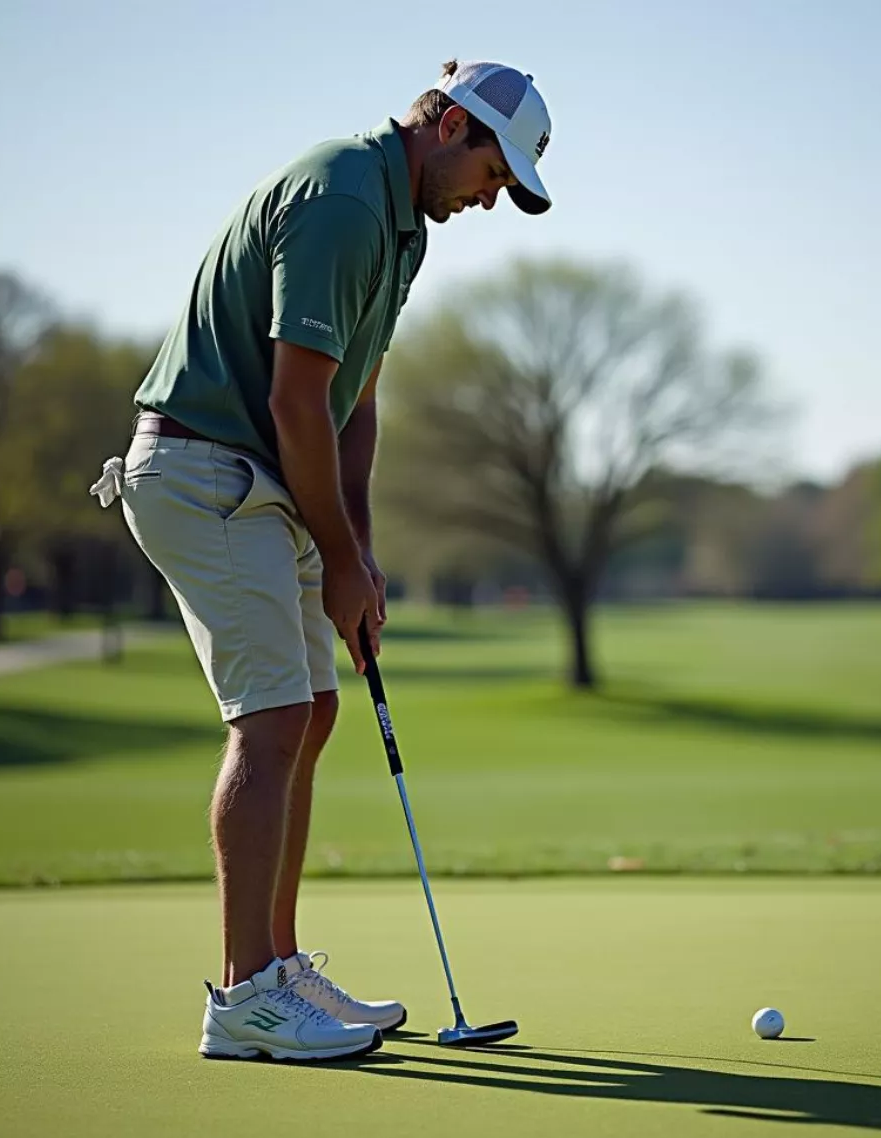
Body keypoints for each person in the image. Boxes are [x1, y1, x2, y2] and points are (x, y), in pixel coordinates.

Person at [89, 60, 553, 1063]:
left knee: (318, 707)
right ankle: (246, 994)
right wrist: (336, 553)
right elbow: (298, 401)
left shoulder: (405, 232)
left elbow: (355, 402)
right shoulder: (346, 196)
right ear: (451, 125)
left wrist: (363, 550)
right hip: (204, 467)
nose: (489, 198)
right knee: (274, 719)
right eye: (490, 171)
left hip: (264, 477)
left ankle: (280, 966)